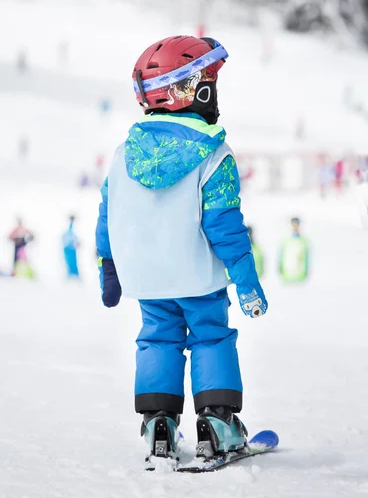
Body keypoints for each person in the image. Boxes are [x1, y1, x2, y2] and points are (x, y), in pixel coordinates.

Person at [95, 36, 268, 462]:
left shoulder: (122, 156)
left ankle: (159, 425)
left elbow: (107, 217)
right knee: (211, 337)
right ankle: (217, 423)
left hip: (148, 280)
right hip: (195, 277)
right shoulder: (214, 156)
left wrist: (110, 270)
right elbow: (225, 227)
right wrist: (246, 282)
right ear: (196, 91)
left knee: (157, 341)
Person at [279, 217, 309, 283]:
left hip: (300, 278)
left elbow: (307, 258)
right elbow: (281, 257)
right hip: (287, 277)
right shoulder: (285, 240)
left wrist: (306, 272)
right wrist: (280, 270)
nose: (295, 226)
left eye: (296, 224)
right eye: (293, 224)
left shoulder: (304, 241)